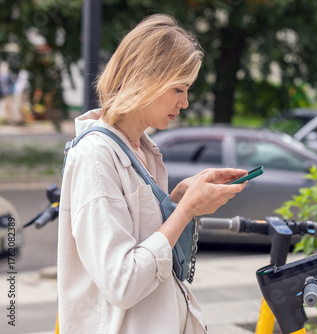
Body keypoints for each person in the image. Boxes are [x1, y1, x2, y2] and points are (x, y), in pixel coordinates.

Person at [57, 14, 247, 333]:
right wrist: (186, 211)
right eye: (178, 89)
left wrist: (177, 199)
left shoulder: (142, 150)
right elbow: (123, 283)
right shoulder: (96, 156)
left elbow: (142, 237)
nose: (185, 102)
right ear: (148, 79)